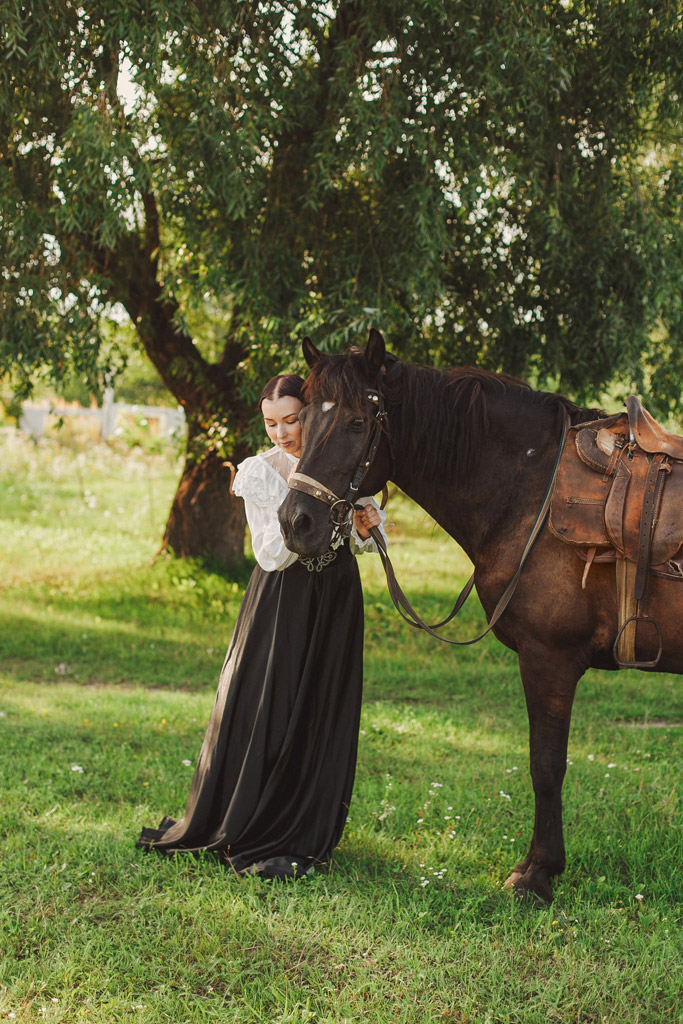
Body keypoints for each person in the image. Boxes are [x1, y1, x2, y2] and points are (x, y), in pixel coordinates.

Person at [137, 373, 385, 878]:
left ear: (311, 413)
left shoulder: (342, 463)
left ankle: (307, 828)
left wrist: (365, 526)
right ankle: (257, 823)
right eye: (272, 423)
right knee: (272, 708)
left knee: (322, 707)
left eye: (292, 419)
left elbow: (360, 545)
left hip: (336, 599)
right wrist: (322, 516)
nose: (282, 432)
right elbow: (271, 554)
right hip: (283, 603)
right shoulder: (261, 471)